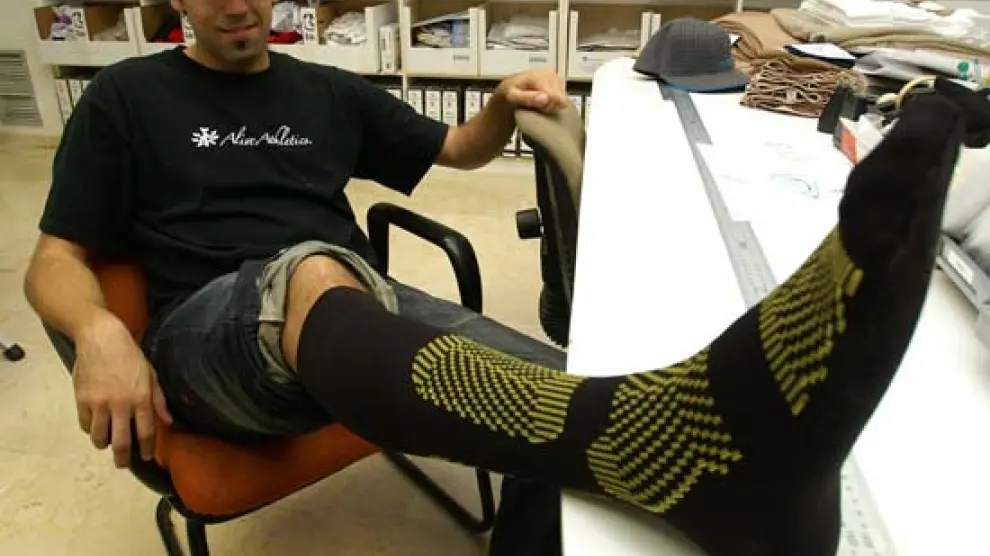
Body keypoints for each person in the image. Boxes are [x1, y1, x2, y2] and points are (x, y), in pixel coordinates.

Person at [23, 0, 976, 554]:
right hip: (212, 343)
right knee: (311, 267)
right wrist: (100, 333)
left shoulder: (325, 88)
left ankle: (740, 492)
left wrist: (502, 104)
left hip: (345, 310)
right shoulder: (126, 96)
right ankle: (703, 458)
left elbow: (456, 150)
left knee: (565, 395)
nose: (237, 4)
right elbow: (53, 262)